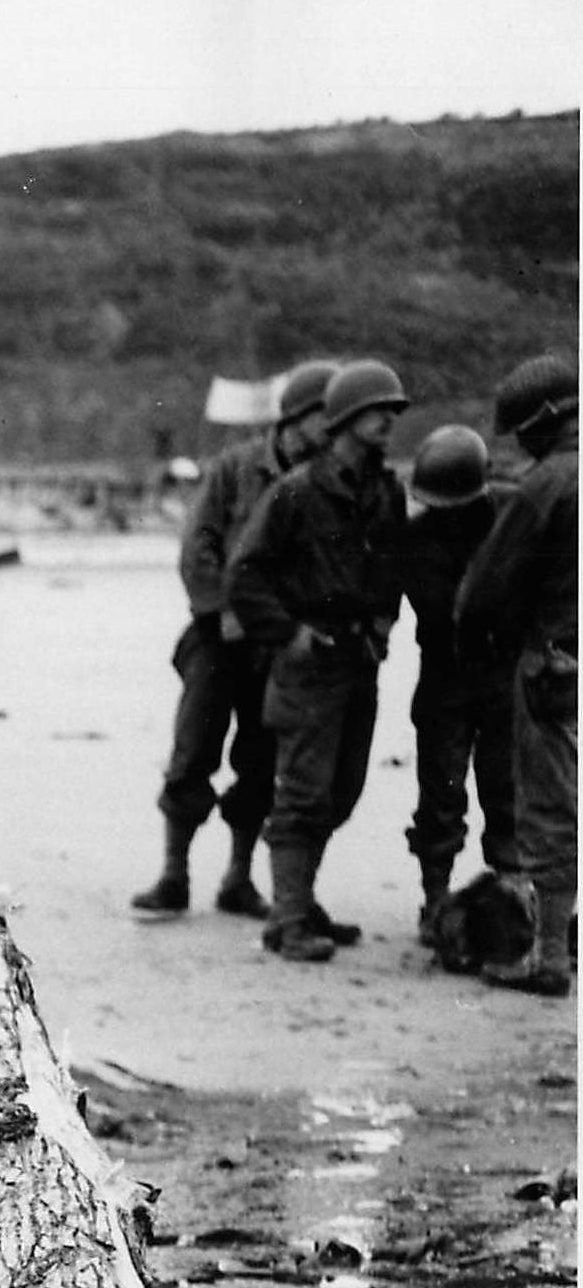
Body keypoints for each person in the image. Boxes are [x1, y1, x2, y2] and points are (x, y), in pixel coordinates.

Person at [225, 358, 412, 963]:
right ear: (349, 418)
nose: (390, 421)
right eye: (380, 411)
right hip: (308, 667)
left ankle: (297, 903)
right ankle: (289, 917)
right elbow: (245, 575)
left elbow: (390, 567)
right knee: (303, 795)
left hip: (358, 661)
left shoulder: (385, 492)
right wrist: (289, 634)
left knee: (344, 791)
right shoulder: (297, 492)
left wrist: (384, 621)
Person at [133, 360, 335, 918]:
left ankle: (238, 879)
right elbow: (197, 545)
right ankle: (174, 874)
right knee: (192, 750)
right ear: (297, 416)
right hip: (217, 640)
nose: (334, 424)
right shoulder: (235, 469)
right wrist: (221, 610)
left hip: (277, 642)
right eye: (326, 413)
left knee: (261, 760)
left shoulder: (324, 482)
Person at [456, 353, 579, 998]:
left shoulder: (550, 484)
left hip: (555, 665)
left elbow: (484, 594)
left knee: (552, 809)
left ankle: (551, 955)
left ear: (539, 422)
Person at [392, 425, 519, 940]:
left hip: (502, 676)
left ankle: (515, 895)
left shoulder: (513, 518)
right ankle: (436, 897)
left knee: (507, 790)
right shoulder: (416, 539)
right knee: (440, 793)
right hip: (446, 674)